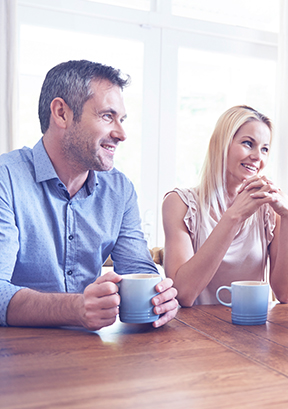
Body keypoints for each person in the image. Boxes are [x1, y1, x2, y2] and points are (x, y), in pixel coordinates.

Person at [0, 60, 179, 330]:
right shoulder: (6, 179)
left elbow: (139, 272)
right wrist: (75, 308)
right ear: (61, 113)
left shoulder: (120, 190)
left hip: (91, 353)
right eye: (108, 116)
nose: (121, 133)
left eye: (121, 119)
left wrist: (160, 297)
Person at [162, 105, 288, 307]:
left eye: (264, 149)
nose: (258, 157)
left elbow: (286, 294)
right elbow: (183, 294)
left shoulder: (269, 209)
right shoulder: (180, 203)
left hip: (252, 330)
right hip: (194, 334)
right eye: (248, 143)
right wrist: (234, 216)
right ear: (221, 144)